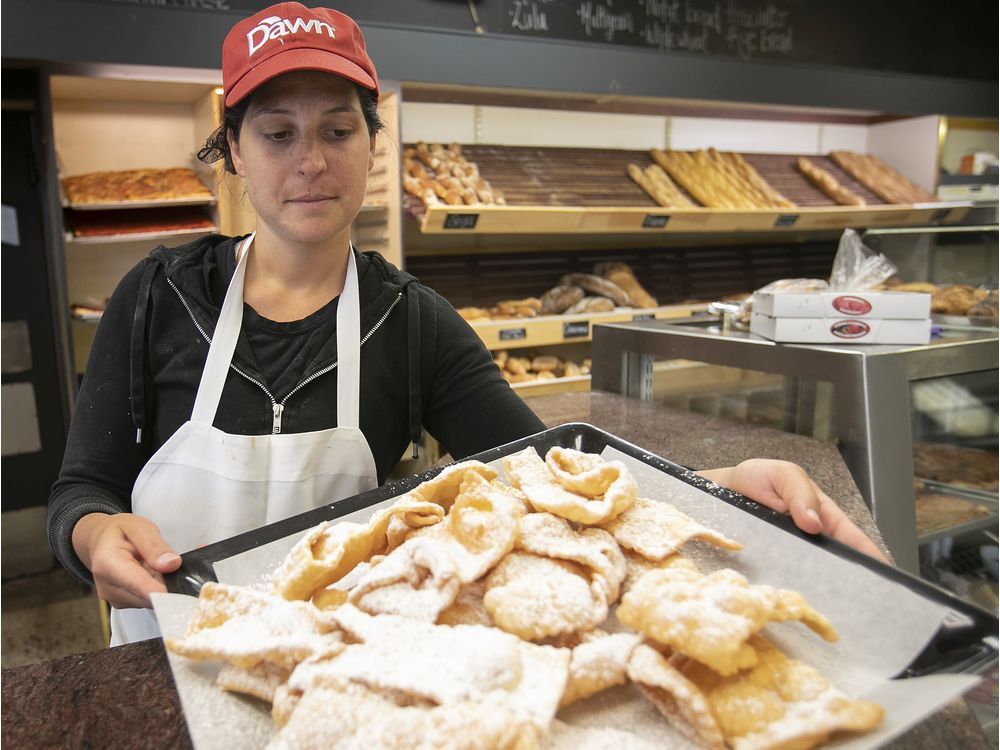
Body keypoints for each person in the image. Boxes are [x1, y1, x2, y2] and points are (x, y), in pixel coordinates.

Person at [47, 3, 886, 646]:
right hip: (160, 657)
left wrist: (717, 489)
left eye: (339, 130)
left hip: (325, 667)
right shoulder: (159, 294)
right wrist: (92, 535)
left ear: (371, 143)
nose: (310, 161)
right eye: (277, 134)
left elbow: (549, 475)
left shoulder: (409, 321)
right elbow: (81, 489)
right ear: (232, 150)